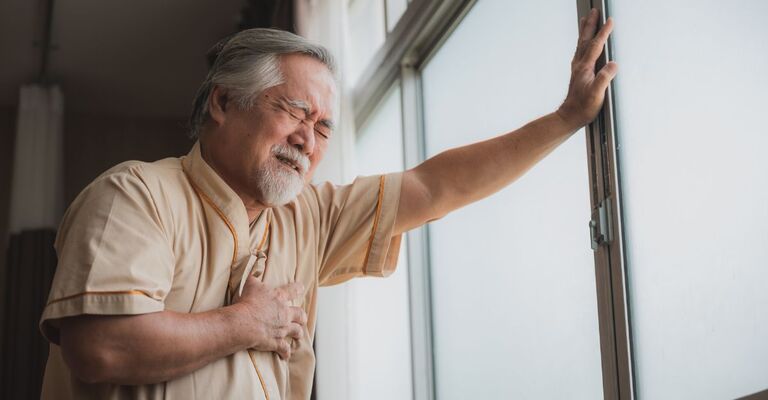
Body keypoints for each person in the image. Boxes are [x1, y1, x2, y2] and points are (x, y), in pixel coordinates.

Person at [38, 8, 616, 400]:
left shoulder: (309, 216)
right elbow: (102, 348)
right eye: (293, 111)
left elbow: (435, 187)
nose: (307, 140)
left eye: (323, 127)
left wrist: (566, 119)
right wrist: (246, 323)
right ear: (222, 103)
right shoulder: (135, 194)